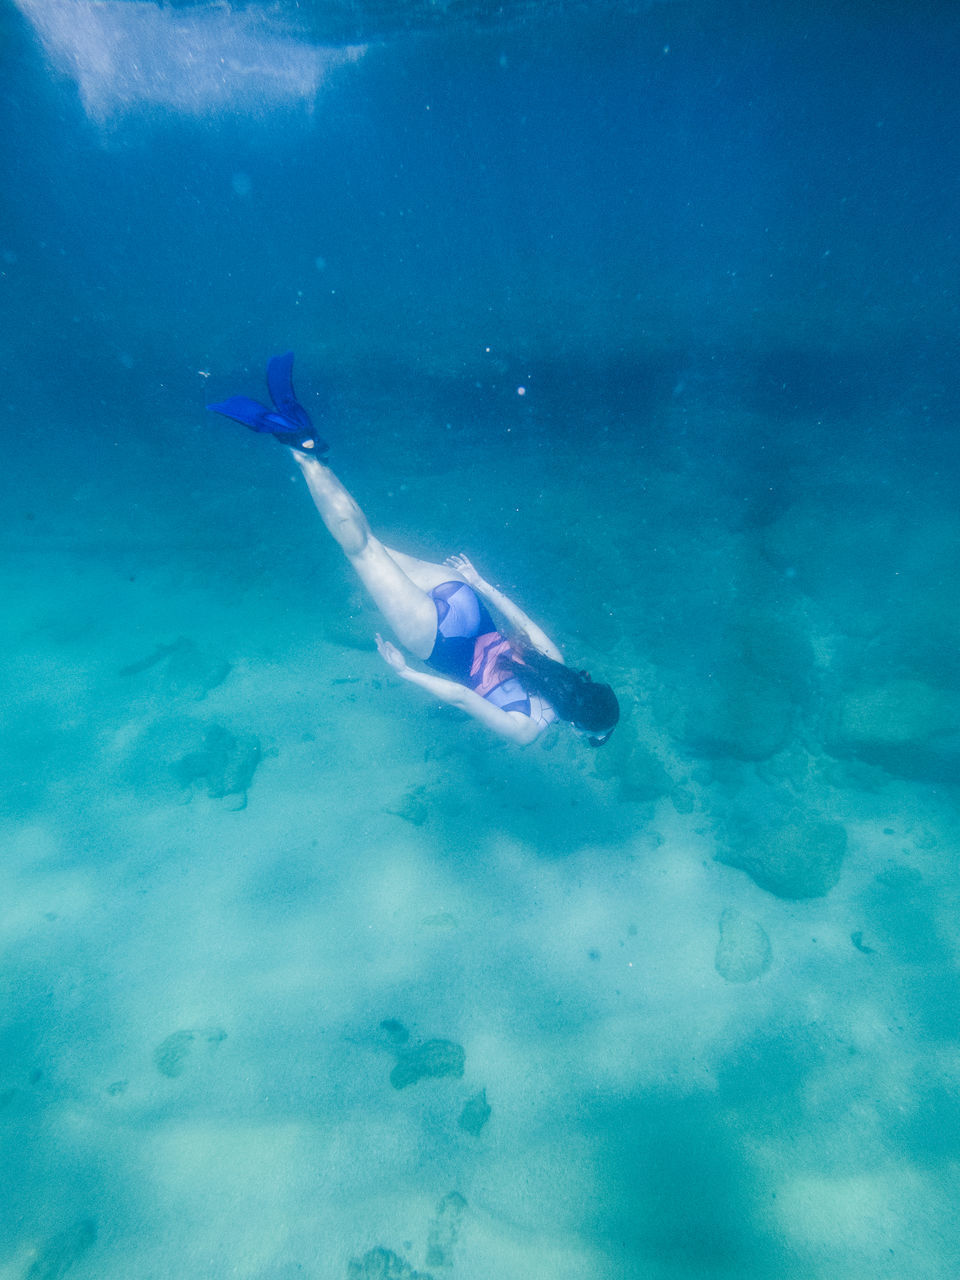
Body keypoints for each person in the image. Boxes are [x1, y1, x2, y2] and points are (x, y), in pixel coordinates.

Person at [208, 353, 619, 747]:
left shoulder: (557, 658)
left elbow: (518, 617)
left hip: (467, 602)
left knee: (371, 543)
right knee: (362, 551)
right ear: (576, 723)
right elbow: (462, 698)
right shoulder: (528, 729)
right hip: (438, 643)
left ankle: (306, 443)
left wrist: (477, 580)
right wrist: (407, 674)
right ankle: (302, 450)